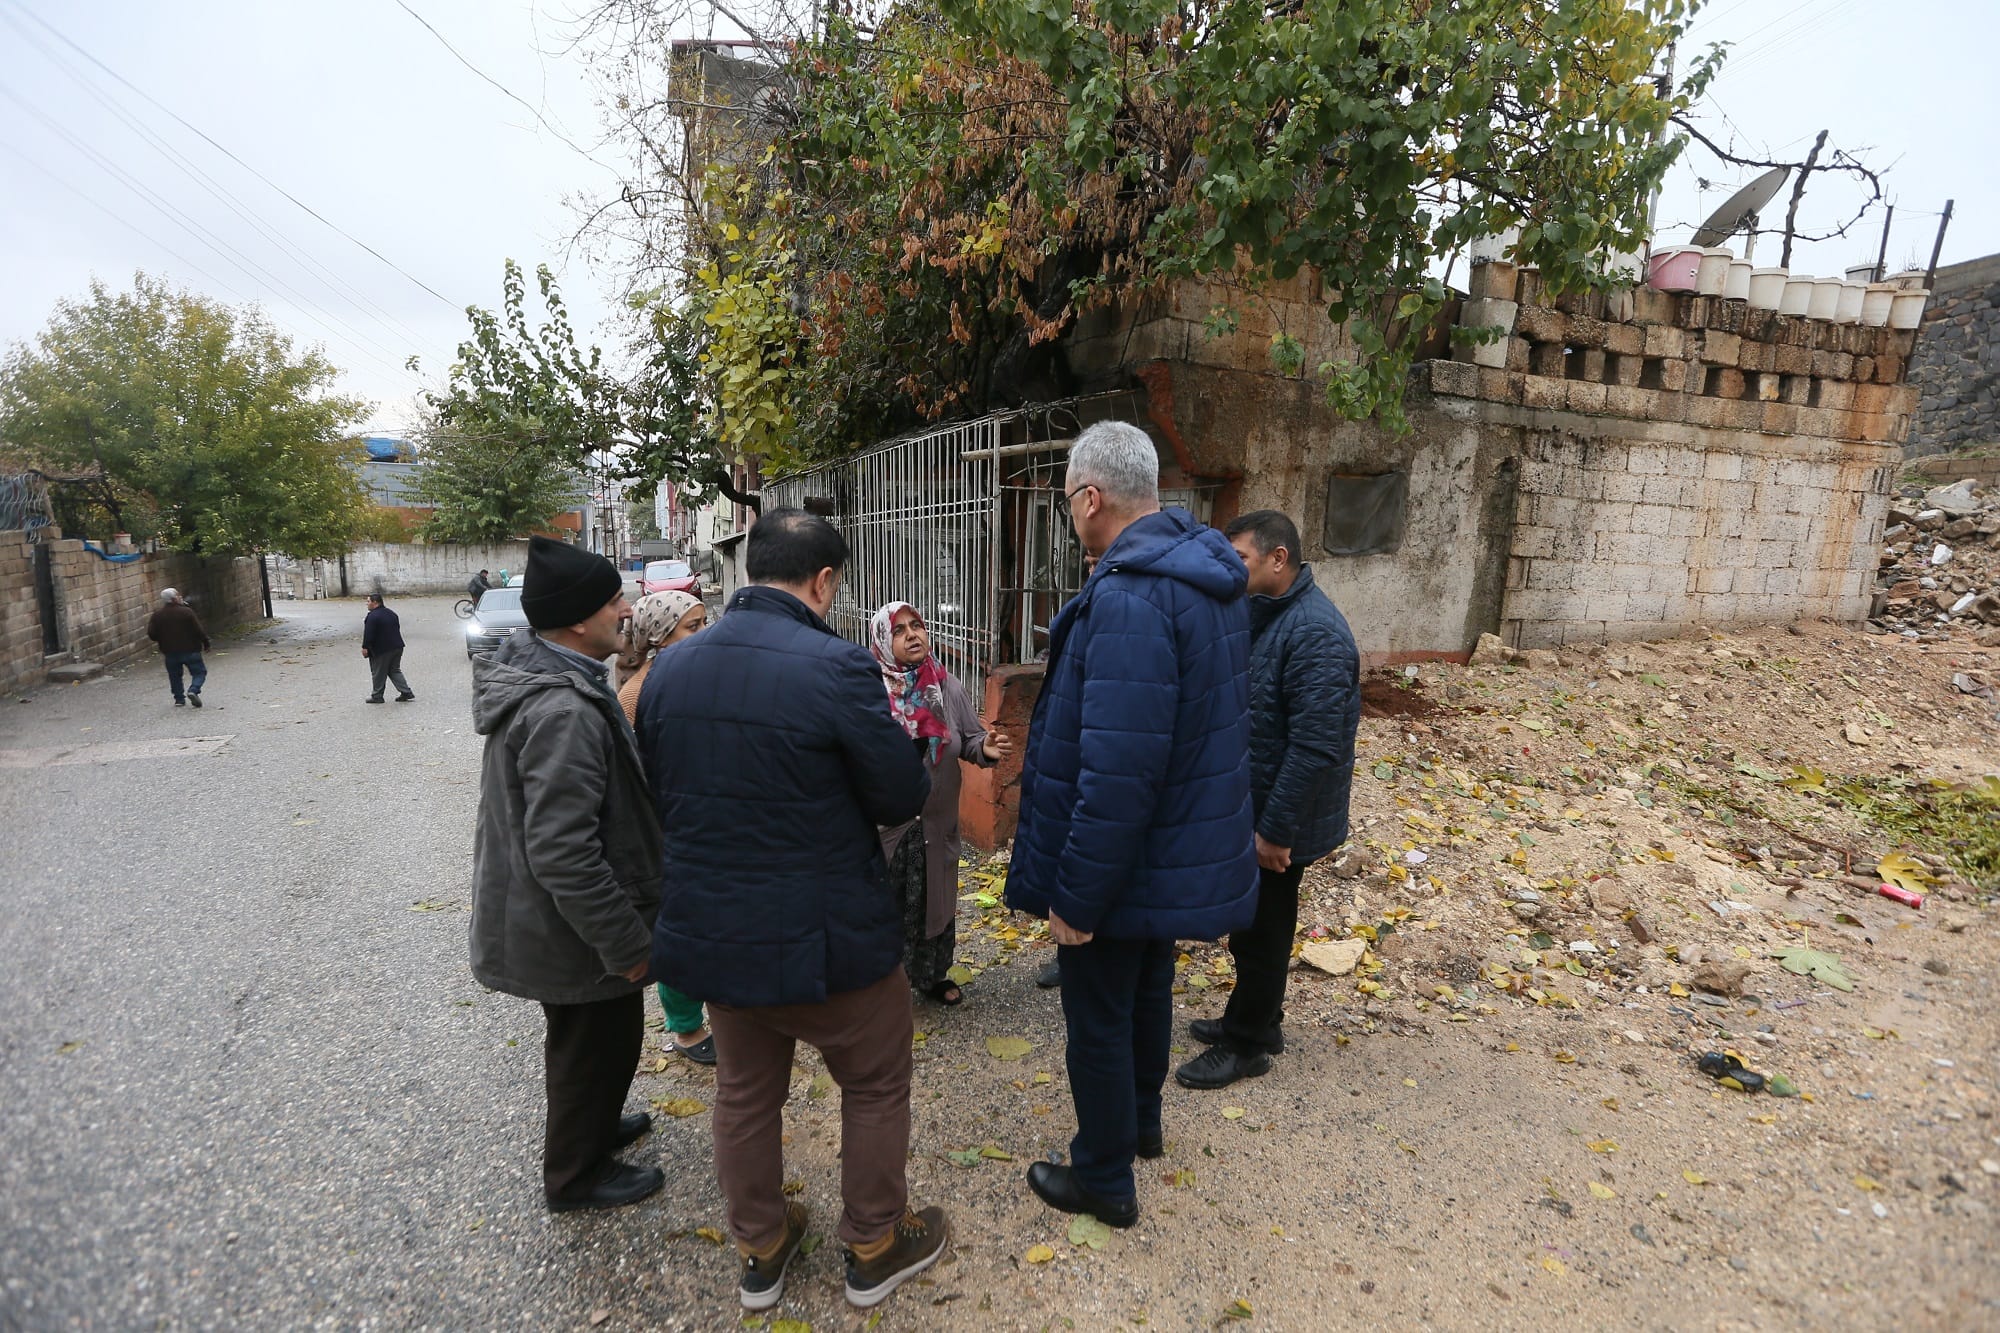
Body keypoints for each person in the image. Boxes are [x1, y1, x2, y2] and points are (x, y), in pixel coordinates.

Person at [637, 510, 944, 1314]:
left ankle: (761, 1248)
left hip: (717, 935)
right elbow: (896, 794)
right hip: (830, 936)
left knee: (742, 1092)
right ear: (825, 582)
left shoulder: (670, 669)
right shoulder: (837, 666)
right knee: (875, 1083)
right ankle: (875, 1244)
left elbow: (661, 795)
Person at [1005, 420, 1257, 1230]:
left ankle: (1104, 1175)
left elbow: (1117, 771)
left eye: (1067, 500)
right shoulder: (1202, 576)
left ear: (1090, 497)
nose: (1069, 513)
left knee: (1099, 1014)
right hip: (1168, 849)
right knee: (1148, 985)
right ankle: (1142, 1126)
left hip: (1123, 858)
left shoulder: (1130, 597)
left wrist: (1076, 894)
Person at [468, 535, 665, 1213]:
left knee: (604, 1039)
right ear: (579, 620)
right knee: (592, 1045)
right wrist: (628, 944)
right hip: (571, 929)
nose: (626, 606)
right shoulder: (563, 710)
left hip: (562, 923)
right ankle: (575, 1176)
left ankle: (597, 1126)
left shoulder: (564, 679)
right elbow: (563, 851)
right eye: (614, 598)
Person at [1175, 510, 1359, 1090]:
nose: (1232, 567)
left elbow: (1314, 746)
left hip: (1286, 814)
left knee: (1265, 927)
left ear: (1278, 559)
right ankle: (1262, 1020)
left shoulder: (1316, 633)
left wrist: (1276, 831)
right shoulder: (1267, 613)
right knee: (1254, 922)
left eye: (1241, 557)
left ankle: (1248, 1042)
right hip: (1261, 803)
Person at [869, 602, 1011, 1006]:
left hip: (935, 821)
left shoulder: (946, 686)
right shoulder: (869, 691)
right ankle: (881, 986)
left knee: (935, 901)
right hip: (888, 825)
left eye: (918, 626)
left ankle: (932, 976)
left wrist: (984, 746)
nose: (913, 635)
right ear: (882, 640)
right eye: (900, 630)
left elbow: (967, 739)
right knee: (885, 906)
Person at [613, 590, 715, 1065]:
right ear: (658, 636)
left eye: (703, 623)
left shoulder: (707, 678)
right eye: (692, 628)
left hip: (709, 827)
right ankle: (687, 1028)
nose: (705, 634)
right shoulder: (634, 696)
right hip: (665, 835)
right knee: (679, 930)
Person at [146, 588, 210, 708]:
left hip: (170, 651)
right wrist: (206, 642)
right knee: (199, 672)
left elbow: (152, 634)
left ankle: (179, 699)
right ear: (174, 598)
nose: (181, 597)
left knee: (174, 675)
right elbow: (198, 630)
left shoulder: (157, 615)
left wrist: (163, 639)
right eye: (178, 595)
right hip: (191, 649)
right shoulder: (187, 612)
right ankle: (193, 690)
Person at [361, 594, 416, 704]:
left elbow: (369, 634)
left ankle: (377, 695)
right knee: (394, 670)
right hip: (397, 646)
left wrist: (365, 647)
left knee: (378, 672)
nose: (366, 604)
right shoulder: (392, 613)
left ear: (375, 602)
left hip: (382, 649)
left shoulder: (372, 616)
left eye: (368, 601)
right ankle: (406, 691)